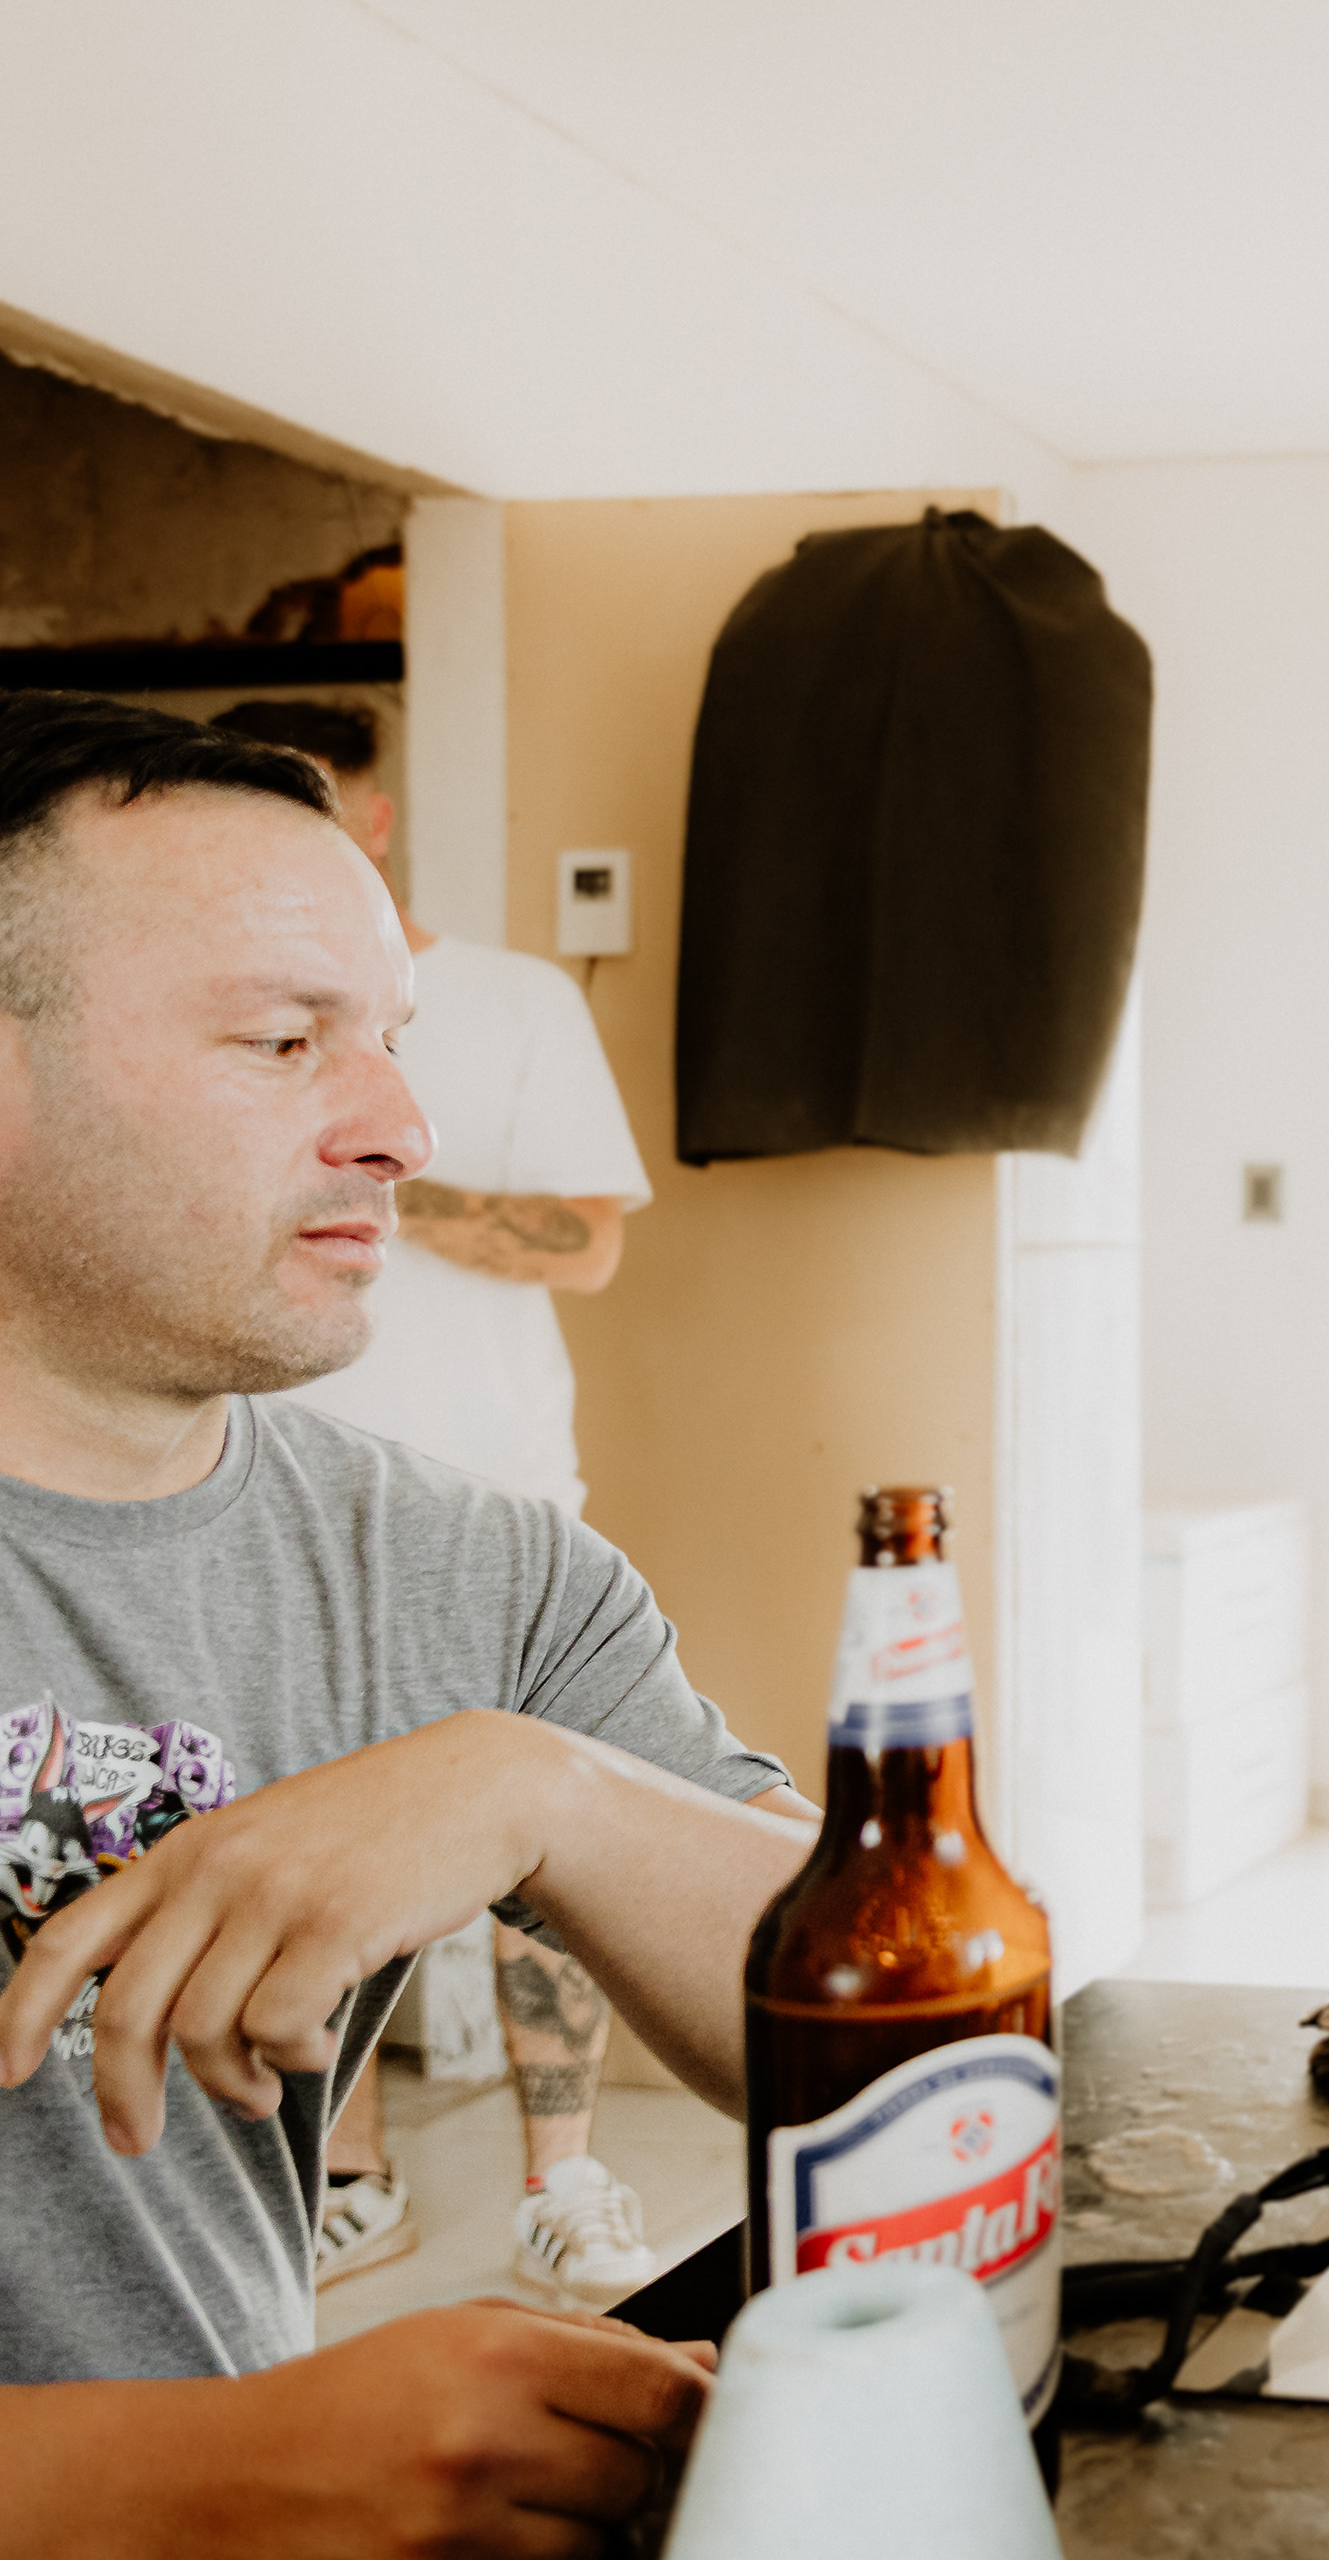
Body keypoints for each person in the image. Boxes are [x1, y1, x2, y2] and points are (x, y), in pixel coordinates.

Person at [0, 692, 817, 2553]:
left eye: (392, 1040)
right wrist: (210, 2473)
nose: (402, 1129)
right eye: (285, 1041)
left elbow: (928, 2054)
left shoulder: (477, 1577)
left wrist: (549, 1795)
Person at [210, 699, 662, 2304]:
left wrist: (379, 1170)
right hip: (271, 1498)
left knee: (554, 1857)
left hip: (499, 1493)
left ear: (377, 816)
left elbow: (590, 1241)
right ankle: (350, 2177)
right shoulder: (218, 1013)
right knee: (313, 1858)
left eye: (306, 802)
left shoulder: (518, 1000)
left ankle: (564, 2180)